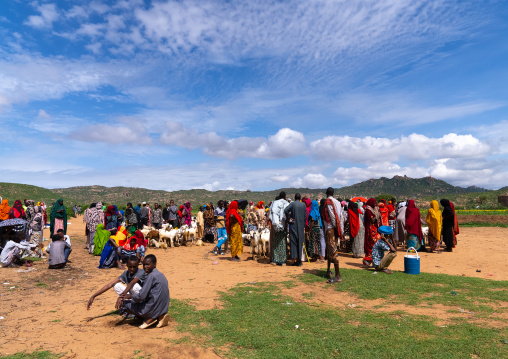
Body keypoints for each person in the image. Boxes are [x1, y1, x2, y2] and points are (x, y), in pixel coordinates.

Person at [119, 254, 170, 329]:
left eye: (147, 264)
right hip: (164, 308)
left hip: (152, 308)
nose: (145, 267)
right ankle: (160, 316)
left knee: (125, 305)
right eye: (144, 265)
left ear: (155, 264)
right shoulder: (161, 274)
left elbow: (141, 296)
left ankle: (148, 318)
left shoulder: (151, 276)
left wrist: (130, 296)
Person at [321, 187, 343, 283]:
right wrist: (339, 228)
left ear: (326, 193)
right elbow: (341, 217)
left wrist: (334, 227)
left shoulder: (328, 202)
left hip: (331, 228)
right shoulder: (338, 202)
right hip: (334, 228)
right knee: (330, 250)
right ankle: (328, 271)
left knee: (333, 250)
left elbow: (332, 216)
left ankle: (338, 276)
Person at [284, 193, 307, 266]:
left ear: (294, 198)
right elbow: (305, 216)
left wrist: (289, 218)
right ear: (300, 198)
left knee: (293, 242)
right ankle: (299, 260)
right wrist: (303, 225)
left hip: (293, 225)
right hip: (300, 226)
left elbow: (285, 210)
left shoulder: (292, 204)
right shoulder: (303, 205)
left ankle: (294, 260)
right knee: (300, 242)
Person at [269, 192, 289, 265]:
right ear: (284, 196)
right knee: (283, 243)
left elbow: (271, 215)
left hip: (275, 226)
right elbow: (288, 215)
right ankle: (283, 261)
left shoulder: (274, 203)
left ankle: (275, 260)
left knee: (276, 242)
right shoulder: (287, 203)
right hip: (284, 226)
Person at [363, 198, 381, 264]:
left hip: (375, 229)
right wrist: (375, 217)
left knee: (375, 243)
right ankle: (369, 259)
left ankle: (374, 259)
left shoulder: (374, 209)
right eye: (374, 202)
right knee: (372, 244)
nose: (375, 203)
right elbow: (371, 219)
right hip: (370, 230)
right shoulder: (368, 210)